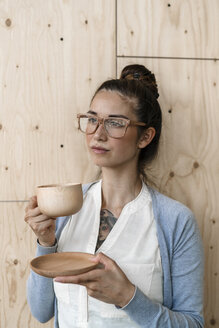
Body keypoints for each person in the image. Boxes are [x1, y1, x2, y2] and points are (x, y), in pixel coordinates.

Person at [25, 64, 204, 328]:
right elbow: (42, 312)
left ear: (145, 137)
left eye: (115, 123)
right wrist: (46, 241)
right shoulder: (65, 207)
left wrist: (127, 296)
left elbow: (193, 323)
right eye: (92, 119)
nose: (98, 134)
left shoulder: (175, 221)